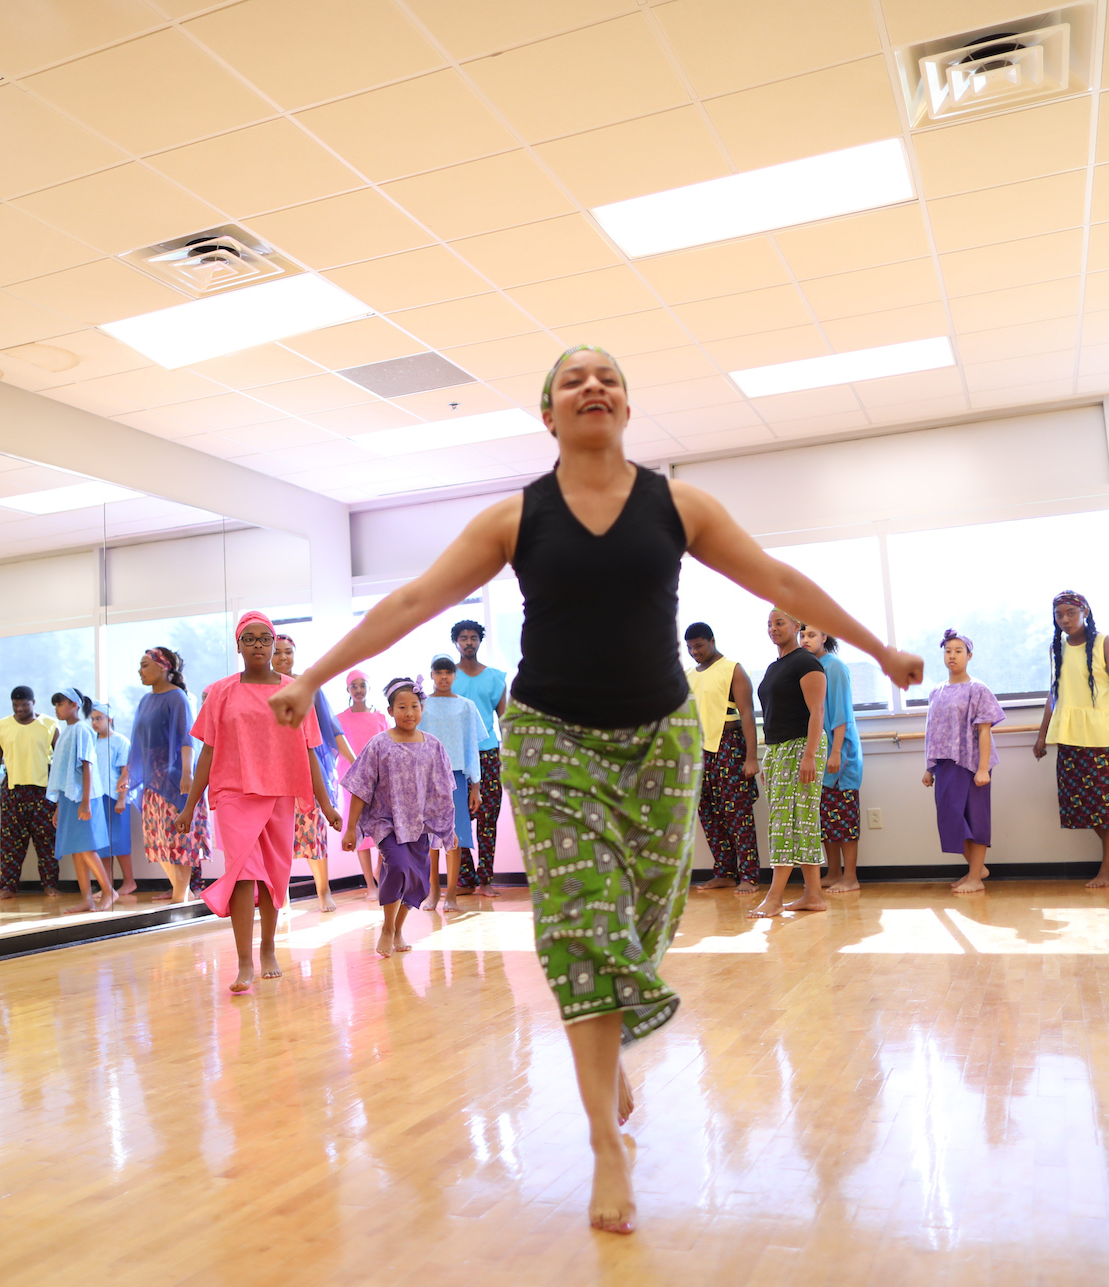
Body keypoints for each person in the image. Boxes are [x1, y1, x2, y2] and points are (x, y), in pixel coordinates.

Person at [264, 345, 920, 1234]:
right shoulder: (516, 517)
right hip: (551, 735)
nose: (592, 386)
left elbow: (781, 579)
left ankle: (610, 1038)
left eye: (607, 376)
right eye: (572, 379)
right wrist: (311, 677)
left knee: (647, 914)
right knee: (579, 919)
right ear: (549, 413)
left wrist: (877, 647)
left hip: (659, 737)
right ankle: (605, 1144)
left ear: (626, 405)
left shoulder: (677, 506)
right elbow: (412, 600)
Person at [177, 612, 341, 995]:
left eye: (264, 638)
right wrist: (189, 805)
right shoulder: (220, 692)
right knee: (242, 872)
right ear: (238, 645)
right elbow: (207, 751)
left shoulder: (296, 691)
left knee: (273, 876)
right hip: (233, 793)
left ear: (273, 643)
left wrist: (327, 804)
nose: (257, 645)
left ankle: (268, 947)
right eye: (248, 639)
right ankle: (244, 961)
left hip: (280, 793)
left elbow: (309, 752)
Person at [340, 677, 458, 958]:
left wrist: (447, 829)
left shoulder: (433, 745)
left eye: (414, 706)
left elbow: (443, 792)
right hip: (387, 823)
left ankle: (397, 929)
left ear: (422, 708)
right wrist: (350, 828)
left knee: (418, 883)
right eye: (402, 707)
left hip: (418, 826)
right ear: (390, 711)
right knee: (398, 867)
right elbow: (360, 787)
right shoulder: (379, 743)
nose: (409, 713)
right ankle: (386, 928)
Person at [1032, 591, 1109, 889]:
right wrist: (1042, 734)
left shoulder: (1106, 643)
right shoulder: (1056, 648)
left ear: (1085, 612)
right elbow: (1054, 694)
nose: (1065, 619)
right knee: (1083, 804)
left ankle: (1108, 870)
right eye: (1059, 615)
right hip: (1069, 737)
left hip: (1105, 736)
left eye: (1071, 613)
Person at [749, 610, 829, 917]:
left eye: (779, 622)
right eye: (769, 624)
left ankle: (775, 896)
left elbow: (817, 712)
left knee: (785, 820)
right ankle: (814, 895)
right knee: (802, 819)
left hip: (801, 746)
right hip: (779, 749)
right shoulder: (775, 667)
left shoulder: (806, 662)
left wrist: (809, 755)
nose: (773, 628)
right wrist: (770, 758)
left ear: (797, 625)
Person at [272, 633, 354, 913]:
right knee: (277, 834)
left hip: (309, 769)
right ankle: (281, 897)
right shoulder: (263, 687)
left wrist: (355, 761)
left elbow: (332, 728)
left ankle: (323, 891)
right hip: (273, 770)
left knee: (313, 831)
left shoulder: (309, 686)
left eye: (288, 652)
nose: (283, 657)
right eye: (277, 652)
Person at [921, 630, 1005, 895]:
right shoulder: (936, 691)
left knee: (975, 819)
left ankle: (975, 877)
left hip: (971, 764)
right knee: (951, 819)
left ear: (969, 656)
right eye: (948, 651)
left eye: (958, 651)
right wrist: (929, 767)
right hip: (945, 765)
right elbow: (932, 731)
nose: (952, 656)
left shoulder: (978, 689)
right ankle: (977, 870)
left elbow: (984, 731)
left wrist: (982, 769)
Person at [683, 622, 760, 891]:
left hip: (729, 746)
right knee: (709, 814)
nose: (695, 652)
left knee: (738, 813)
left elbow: (747, 714)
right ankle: (725, 872)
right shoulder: (689, 676)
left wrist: (751, 757)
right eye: (690, 648)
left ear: (712, 641)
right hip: (699, 751)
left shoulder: (733, 669)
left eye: (699, 646)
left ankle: (749, 876)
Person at [130, 647, 208, 903]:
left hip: (174, 780)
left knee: (178, 839)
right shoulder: (145, 700)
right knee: (157, 839)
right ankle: (182, 893)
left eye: (145, 665)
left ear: (163, 667)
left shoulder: (177, 697)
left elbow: (187, 738)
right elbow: (138, 743)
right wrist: (127, 773)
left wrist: (187, 773)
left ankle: (180, 897)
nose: (140, 671)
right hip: (152, 781)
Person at [800, 625, 865, 893]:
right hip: (819, 752)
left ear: (824, 637)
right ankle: (834, 872)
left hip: (840, 752)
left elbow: (841, 712)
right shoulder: (808, 667)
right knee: (826, 816)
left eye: (811, 635)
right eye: (802, 635)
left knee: (844, 816)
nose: (805, 640)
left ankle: (851, 876)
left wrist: (836, 751)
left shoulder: (834, 666)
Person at [417, 655, 482, 913]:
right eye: (438, 672)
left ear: (455, 675)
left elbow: (472, 746)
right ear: (431, 675)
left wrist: (475, 786)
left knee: (455, 835)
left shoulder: (466, 706)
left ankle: (451, 895)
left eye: (448, 672)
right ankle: (433, 891)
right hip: (427, 777)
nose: (443, 676)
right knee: (429, 836)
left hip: (456, 776)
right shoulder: (421, 705)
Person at [450, 619, 509, 898]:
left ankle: (485, 880)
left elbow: (503, 719)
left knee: (488, 818)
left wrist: (508, 754)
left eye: (473, 637)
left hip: (488, 754)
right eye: (463, 638)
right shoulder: (448, 678)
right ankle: (465, 879)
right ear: (456, 642)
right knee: (458, 817)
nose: (468, 642)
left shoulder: (495, 678)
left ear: (479, 641)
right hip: (456, 757)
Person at [0, 685, 59, 900]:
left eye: (24, 704)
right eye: (15, 705)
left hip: (43, 791)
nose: (19, 709)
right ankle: (8, 887)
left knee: (47, 842)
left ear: (33, 703)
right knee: (10, 844)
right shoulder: (1, 726)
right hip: (13, 791)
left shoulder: (50, 724)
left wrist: (61, 795)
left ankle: (50, 885)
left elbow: (60, 761)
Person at [48, 688, 113, 913]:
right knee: (76, 848)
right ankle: (87, 898)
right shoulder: (66, 731)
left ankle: (108, 891)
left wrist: (85, 801)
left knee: (86, 847)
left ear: (74, 705)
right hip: (69, 797)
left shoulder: (82, 729)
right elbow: (63, 773)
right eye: (55, 705)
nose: (56, 709)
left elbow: (87, 765)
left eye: (60, 704)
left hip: (85, 796)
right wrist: (59, 806)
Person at [336, 669, 390, 892]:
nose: (358, 690)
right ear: (348, 689)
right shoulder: (339, 719)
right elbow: (335, 749)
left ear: (369, 687)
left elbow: (389, 747)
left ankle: (379, 872)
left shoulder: (380, 717)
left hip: (378, 778)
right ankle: (370, 885)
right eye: (354, 686)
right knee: (357, 826)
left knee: (382, 825)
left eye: (362, 685)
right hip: (351, 779)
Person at [91, 701, 135, 898]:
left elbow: (125, 772)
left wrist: (121, 798)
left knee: (120, 841)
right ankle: (106, 885)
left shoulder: (120, 741)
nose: (95, 723)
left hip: (114, 797)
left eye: (98, 718)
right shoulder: (92, 742)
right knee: (102, 844)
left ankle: (129, 881)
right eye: (92, 719)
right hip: (97, 797)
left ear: (109, 719)